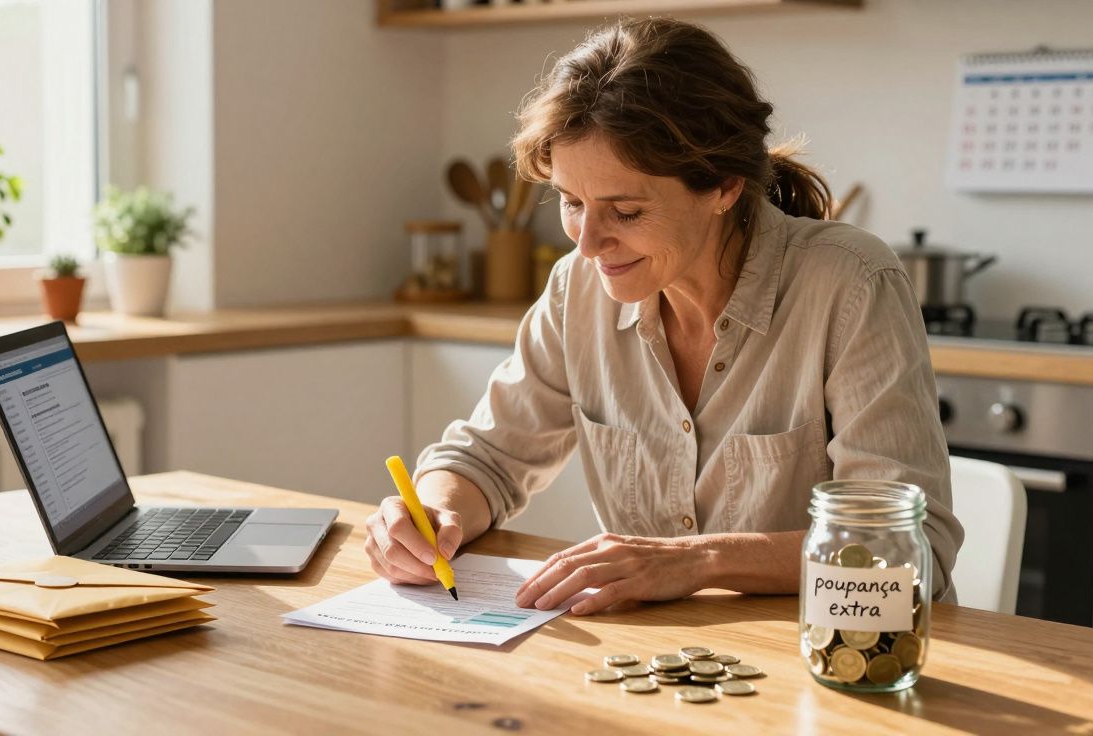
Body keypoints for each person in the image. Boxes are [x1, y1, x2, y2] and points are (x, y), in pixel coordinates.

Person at [364, 17, 963, 615]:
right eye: (573, 203)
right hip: (654, 666)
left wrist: (697, 559)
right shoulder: (579, 288)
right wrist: (434, 512)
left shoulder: (851, 283)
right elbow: (487, 458)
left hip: (829, 660)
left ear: (724, 187)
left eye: (624, 211)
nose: (589, 243)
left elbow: (910, 552)